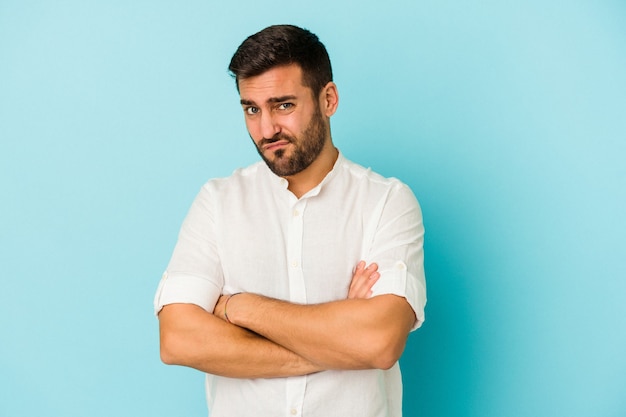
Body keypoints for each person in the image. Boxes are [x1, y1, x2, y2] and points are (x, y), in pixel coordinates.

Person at [154, 24, 426, 417]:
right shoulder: (218, 202)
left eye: (284, 105)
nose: (266, 129)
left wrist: (240, 308)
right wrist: (337, 343)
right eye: (252, 109)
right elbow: (178, 340)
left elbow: (378, 343)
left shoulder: (387, 202)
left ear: (328, 99)